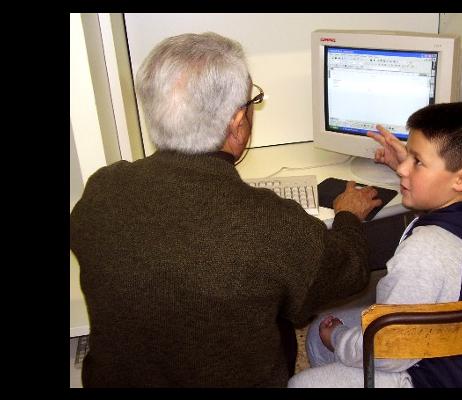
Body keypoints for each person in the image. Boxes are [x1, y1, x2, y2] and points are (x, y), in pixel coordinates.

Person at [69, 32, 383, 388]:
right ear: (237, 123)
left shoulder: (101, 190)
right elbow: (350, 272)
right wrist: (347, 215)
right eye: (252, 102)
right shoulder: (271, 224)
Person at [288, 102, 462, 388]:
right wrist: (408, 166)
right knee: (317, 334)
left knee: (303, 379)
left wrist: (337, 337)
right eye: (408, 155)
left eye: (417, 162)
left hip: (434, 376)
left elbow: (389, 353)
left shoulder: (426, 249)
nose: (404, 169)